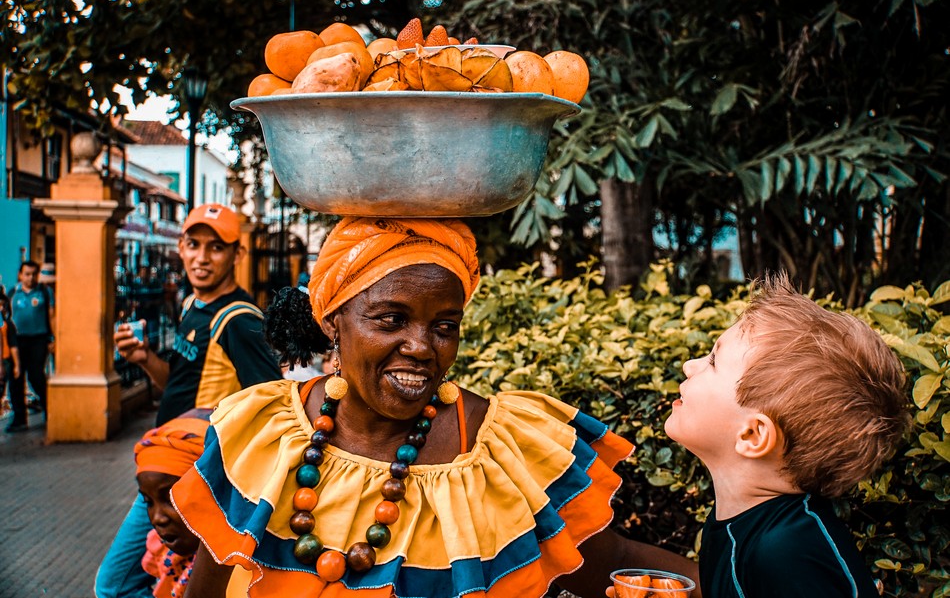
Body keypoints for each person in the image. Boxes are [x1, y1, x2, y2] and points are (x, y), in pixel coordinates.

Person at [172, 217, 699, 598]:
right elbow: (209, 585)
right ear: (332, 321)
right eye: (390, 319)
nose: (422, 347)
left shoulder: (498, 452)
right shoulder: (261, 433)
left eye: (444, 327)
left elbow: (618, 564)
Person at [661, 273, 908, 597]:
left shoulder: (788, 551)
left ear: (752, 435)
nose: (690, 366)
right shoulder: (740, 524)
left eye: (713, 361)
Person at [95, 203, 283, 598]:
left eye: (216, 247)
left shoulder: (239, 321)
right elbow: (180, 386)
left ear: (237, 254)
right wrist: (144, 359)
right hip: (164, 468)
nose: (201, 257)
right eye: (193, 244)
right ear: (180, 247)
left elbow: (273, 408)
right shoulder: (191, 305)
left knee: (115, 584)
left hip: (191, 478)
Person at [133, 410, 211, 598]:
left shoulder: (243, 574)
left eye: (171, 499)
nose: (158, 518)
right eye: (148, 501)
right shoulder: (168, 558)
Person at [8, 260, 54, 431]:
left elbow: (52, 316)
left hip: (39, 339)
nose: (30, 277)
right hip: (17, 341)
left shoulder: (44, 292)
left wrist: (54, 338)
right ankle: (19, 417)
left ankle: (50, 410)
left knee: (36, 376)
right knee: (16, 379)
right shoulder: (13, 293)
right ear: (20, 275)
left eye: (34, 274)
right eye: (27, 274)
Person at [1, 293, 22, 430]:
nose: (1, 308)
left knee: (11, 390)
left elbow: (13, 346)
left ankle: (18, 417)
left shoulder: (8, 325)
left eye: (3, 305)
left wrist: (17, 365)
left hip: (7, 360)